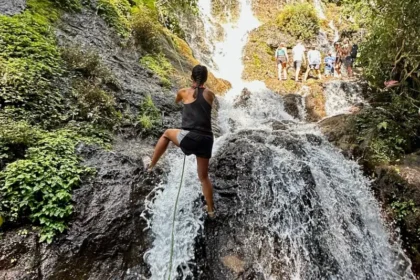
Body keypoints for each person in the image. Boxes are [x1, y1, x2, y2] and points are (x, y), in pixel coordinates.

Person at [144, 65, 216, 218]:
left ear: (191, 77)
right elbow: (202, 97)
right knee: (203, 177)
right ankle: (211, 211)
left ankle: (151, 165)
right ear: (206, 79)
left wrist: (189, 88)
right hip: (207, 140)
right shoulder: (211, 94)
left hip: (190, 137)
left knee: (167, 133)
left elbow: (177, 101)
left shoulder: (183, 92)